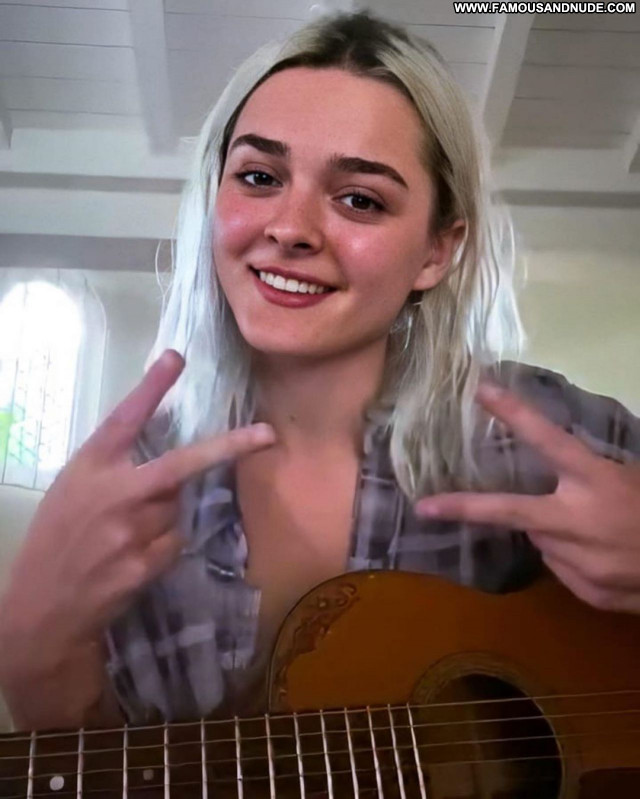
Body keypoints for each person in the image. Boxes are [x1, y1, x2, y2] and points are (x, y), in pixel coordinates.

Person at [0, 11, 639, 731]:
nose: (290, 228)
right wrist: (37, 655)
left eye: (359, 199)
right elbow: (101, 767)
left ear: (437, 250)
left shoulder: (540, 432)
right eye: (259, 177)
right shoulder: (126, 491)